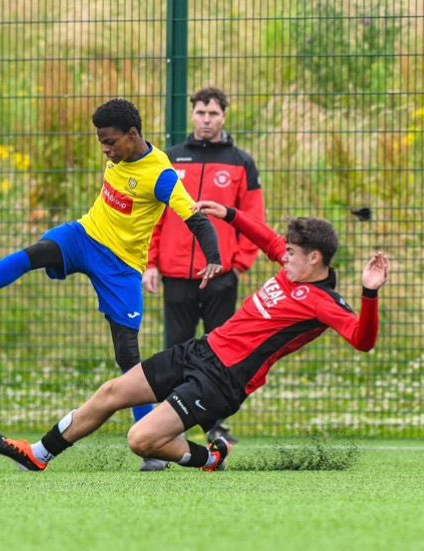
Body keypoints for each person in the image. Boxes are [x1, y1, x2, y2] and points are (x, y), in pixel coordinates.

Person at [0, 201, 390, 473]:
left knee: (140, 440)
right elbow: (267, 239)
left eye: (293, 253)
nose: (284, 255)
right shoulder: (292, 267)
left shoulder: (323, 301)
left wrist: (369, 292)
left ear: (314, 258)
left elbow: (363, 340)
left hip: (222, 381)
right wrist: (228, 213)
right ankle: (37, 455)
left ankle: (210, 458)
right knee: (111, 392)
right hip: (201, 350)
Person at [0, 98, 223, 471]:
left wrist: (212, 257)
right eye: (101, 142)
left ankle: (154, 450)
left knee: (128, 357)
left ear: (133, 135)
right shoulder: (118, 155)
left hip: (122, 269)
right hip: (84, 237)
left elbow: (196, 220)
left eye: (110, 142)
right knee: (31, 255)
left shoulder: (161, 176)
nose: (105, 149)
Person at [143, 86, 265, 444]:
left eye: (213, 114)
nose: (206, 120)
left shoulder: (241, 162)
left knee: (221, 351)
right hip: (176, 274)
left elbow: (252, 216)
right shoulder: (171, 159)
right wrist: (151, 263)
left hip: (221, 276)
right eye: (200, 113)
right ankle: (170, 425)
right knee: (176, 349)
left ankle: (216, 425)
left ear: (224, 116)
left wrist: (239, 263)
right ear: (192, 114)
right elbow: (156, 216)